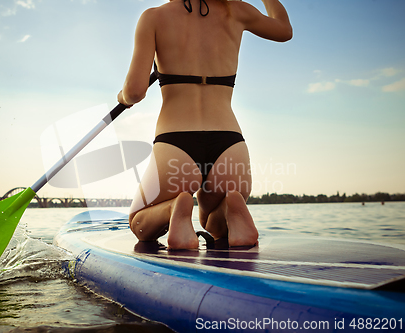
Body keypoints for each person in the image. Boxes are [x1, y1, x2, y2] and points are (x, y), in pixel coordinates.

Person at [117, 0, 292, 249]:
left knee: (139, 224)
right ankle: (231, 204)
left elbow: (135, 92)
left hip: (176, 143)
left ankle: (174, 208)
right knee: (211, 221)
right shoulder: (237, 10)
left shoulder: (153, 18)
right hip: (229, 144)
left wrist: (121, 97)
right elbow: (284, 30)